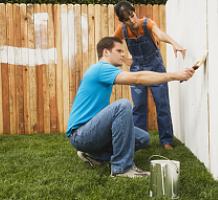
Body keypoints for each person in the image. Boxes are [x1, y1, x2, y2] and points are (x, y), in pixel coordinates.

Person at [66, 37, 195, 178]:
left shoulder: (102, 71)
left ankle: (96, 155)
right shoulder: (101, 68)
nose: (123, 54)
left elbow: (138, 77)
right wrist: (174, 76)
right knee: (122, 105)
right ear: (106, 52)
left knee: (142, 138)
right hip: (80, 134)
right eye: (119, 50)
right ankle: (122, 169)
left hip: (91, 132)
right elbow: (137, 78)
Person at [113, 1, 187, 150]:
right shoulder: (122, 30)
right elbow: (113, 46)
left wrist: (174, 43)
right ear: (122, 21)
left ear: (135, 12)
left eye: (132, 16)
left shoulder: (147, 24)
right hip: (137, 70)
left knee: (162, 104)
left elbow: (161, 35)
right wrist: (126, 60)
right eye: (127, 20)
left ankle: (166, 141)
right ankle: (139, 141)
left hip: (156, 68)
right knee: (139, 106)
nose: (132, 21)